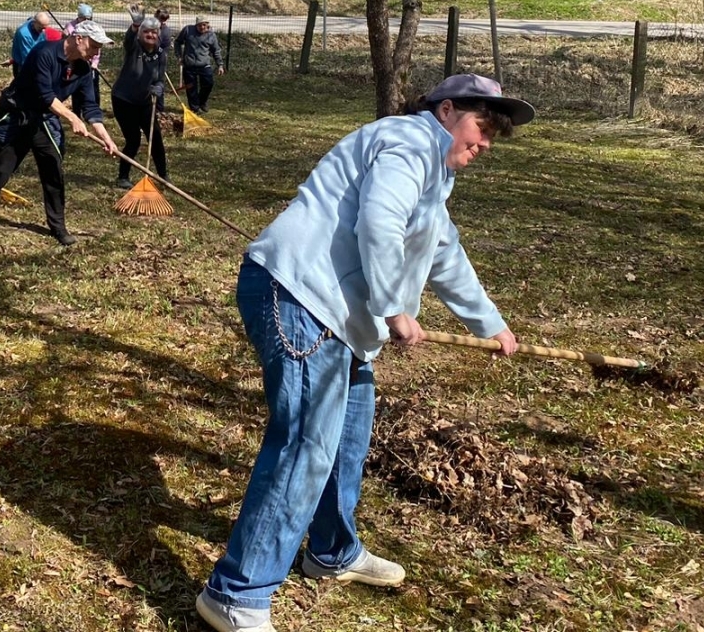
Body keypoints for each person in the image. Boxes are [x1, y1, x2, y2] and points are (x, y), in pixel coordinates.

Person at [195, 73, 535, 632]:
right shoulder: (408, 141)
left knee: (347, 439)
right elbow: (378, 221)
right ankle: (236, 594)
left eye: (492, 138)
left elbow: (443, 253)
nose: (484, 144)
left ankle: (330, 551)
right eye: (480, 127)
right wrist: (396, 308)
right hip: (302, 297)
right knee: (305, 442)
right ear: (447, 110)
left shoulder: (432, 178)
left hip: (341, 320)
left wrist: (492, 325)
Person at [0, 18, 119, 245]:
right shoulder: (45, 53)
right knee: (1, 168)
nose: (96, 52)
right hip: (18, 116)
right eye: (94, 46)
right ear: (79, 39)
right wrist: (71, 118)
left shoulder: (83, 70)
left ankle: (58, 227)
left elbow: (90, 107)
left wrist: (107, 138)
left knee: (53, 171)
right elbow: (45, 95)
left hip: (44, 120)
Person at [112, 9, 169, 189]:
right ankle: (123, 177)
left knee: (156, 138)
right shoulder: (134, 47)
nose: (150, 35)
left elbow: (159, 78)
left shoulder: (161, 54)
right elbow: (128, 40)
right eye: (146, 31)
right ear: (141, 34)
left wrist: (159, 87)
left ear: (158, 34)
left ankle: (163, 176)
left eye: (154, 32)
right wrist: (135, 25)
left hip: (145, 101)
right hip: (124, 100)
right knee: (134, 140)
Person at [174, 15, 223, 113]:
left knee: (208, 84)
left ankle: (202, 102)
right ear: (196, 25)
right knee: (191, 88)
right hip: (189, 65)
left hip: (204, 65)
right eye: (199, 25)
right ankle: (195, 108)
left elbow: (216, 51)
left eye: (204, 25)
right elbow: (177, 42)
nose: (202, 27)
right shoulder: (188, 30)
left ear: (208, 25)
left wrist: (220, 65)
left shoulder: (211, 35)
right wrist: (179, 56)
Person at [11, 10, 55, 75]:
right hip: (23, 65)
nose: (43, 31)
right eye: (41, 28)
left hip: (36, 60)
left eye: (45, 28)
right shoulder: (24, 34)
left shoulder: (38, 26)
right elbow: (27, 58)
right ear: (34, 23)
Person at [64, 3, 101, 70]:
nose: (86, 21)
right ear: (79, 17)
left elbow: (96, 47)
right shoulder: (70, 26)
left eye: (89, 19)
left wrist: (94, 62)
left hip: (87, 58)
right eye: (84, 18)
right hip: (73, 57)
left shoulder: (93, 28)